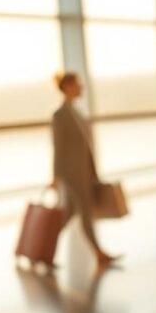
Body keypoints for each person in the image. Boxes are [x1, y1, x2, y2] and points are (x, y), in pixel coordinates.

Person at [50, 71, 119, 267]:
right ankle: (98, 252)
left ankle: (43, 250)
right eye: (77, 84)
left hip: (83, 171)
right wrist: (55, 176)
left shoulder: (76, 112)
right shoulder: (60, 116)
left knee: (68, 214)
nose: (81, 87)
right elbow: (58, 148)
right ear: (67, 87)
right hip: (72, 174)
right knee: (86, 212)